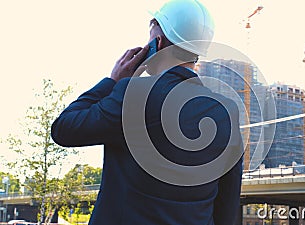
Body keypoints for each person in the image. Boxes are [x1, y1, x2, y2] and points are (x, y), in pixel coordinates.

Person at [51, 0, 243, 224]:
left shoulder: (133, 96)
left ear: (157, 43)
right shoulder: (227, 112)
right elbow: (227, 203)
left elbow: (64, 128)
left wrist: (113, 81)